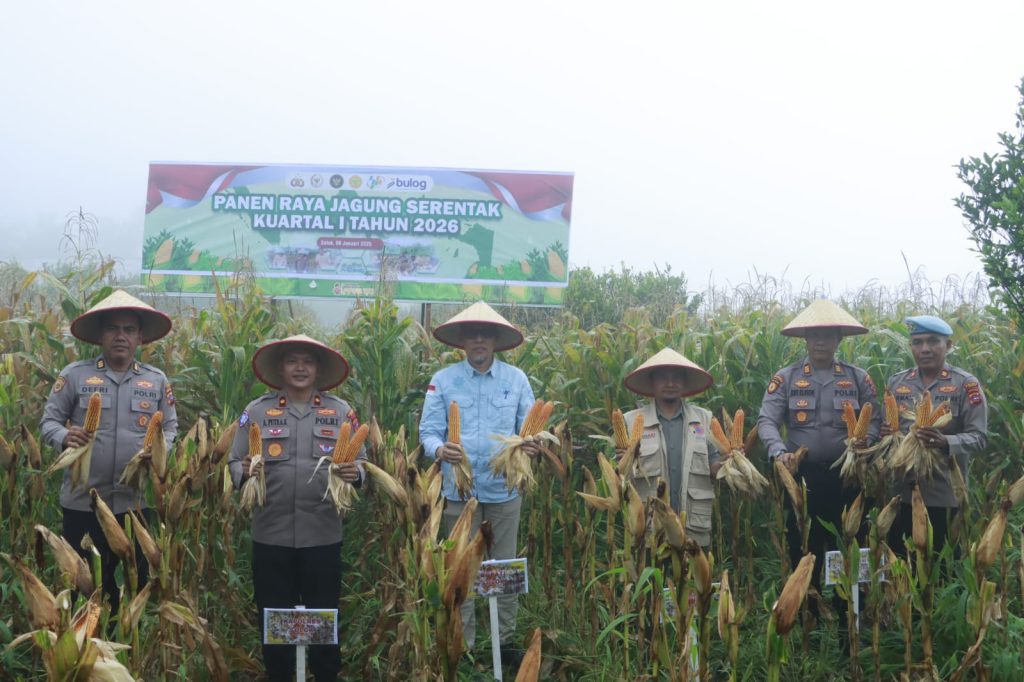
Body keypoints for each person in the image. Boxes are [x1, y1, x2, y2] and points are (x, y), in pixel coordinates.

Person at [228, 334, 364, 682]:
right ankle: (279, 675)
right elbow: (233, 460)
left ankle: (325, 674)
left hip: (322, 535)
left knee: (323, 616)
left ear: (318, 368)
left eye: (308, 361)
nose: (300, 368)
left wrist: (357, 473)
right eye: (292, 361)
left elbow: (363, 463)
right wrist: (243, 473)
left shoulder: (340, 411)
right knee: (274, 618)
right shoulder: (257, 411)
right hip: (270, 535)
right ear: (280, 368)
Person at [40, 289, 177, 614]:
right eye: (113, 329)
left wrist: (159, 450)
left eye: (129, 329)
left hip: (136, 505)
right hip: (83, 504)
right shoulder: (75, 375)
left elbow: (171, 427)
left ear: (140, 337)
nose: (121, 336)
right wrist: (65, 436)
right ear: (101, 336)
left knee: (134, 586)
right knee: (84, 588)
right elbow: (48, 423)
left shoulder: (156, 381)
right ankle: (87, 639)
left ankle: (125, 639)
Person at [418, 301, 538, 664]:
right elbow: (428, 432)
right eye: (473, 335)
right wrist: (440, 450)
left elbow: (529, 430)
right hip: (459, 491)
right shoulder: (443, 381)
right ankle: (465, 646)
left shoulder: (516, 381)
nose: (480, 341)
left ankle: (505, 642)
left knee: (505, 567)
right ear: (463, 341)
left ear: (496, 341)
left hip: (504, 491)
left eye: (486, 335)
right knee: (461, 569)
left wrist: (531, 445)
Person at [757, 299, 879, 612]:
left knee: (848, 544)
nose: (820, 341)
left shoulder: (857, 378)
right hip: (803, 477)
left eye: (827, 335)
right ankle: (806, 617)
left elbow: (876, 420)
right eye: (814, 335)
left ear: (839, 339)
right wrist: (779, 451)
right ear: (806, 339)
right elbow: (767, 420)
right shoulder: (786, 378)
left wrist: (867, 441)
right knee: (804, 547)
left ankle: (848, 619)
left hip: (848, 477)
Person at [884, 315, 987, 554]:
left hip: (944, 497)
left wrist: (945, 441)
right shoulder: (897, 383)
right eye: (918, 342)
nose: (925, 349)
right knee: (902, 566)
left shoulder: (965, 384)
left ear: (948, 345)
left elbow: (979, 437)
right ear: (911, 346)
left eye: (933, 341)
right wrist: (887, 434)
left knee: (942, 567)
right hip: (902, 495)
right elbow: (887, 431)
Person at [618, 348, 722, 549]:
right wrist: (623, 462)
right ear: (652, 381)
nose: (670, 383)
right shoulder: (630, 422)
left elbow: (714, 467)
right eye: (663, 378)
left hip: (693, 529)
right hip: (649, 529)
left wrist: (731, 463)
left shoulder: (704, 420)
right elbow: (619, 480)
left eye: (676, 377)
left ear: (685, 382)